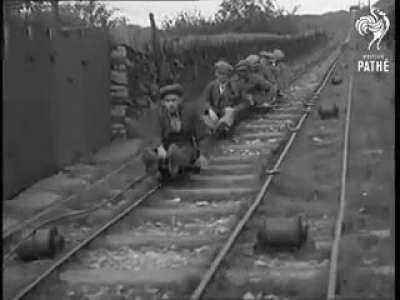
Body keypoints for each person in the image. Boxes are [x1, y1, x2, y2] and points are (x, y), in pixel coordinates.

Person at [142, 84, 209, 180]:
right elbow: (155, 132)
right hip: (165, 146)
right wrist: (159, 147)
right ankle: (155, 164)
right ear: (163, 103)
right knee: (150, 151)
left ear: (180, 101)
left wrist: (202, 154)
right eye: (167, 101)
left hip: (185, 146)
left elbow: (203, 134)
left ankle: (174, 162)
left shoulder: (190, 113)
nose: (171, 104)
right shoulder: (160, 114)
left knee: (176, 152)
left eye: (174, 100)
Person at [201, 60, 238, 135]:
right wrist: (209, 109)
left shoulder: (232, 85)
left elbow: (236, 97)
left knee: (230, 112)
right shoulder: (211, 86)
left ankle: (223, 127)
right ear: (216, 74)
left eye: (224, 74)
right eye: (219, 74)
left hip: (226, 110)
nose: (221, 76)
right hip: (214, 109)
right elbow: (206, 99)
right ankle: (213, 129)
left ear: (227, 75)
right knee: (207, 116)